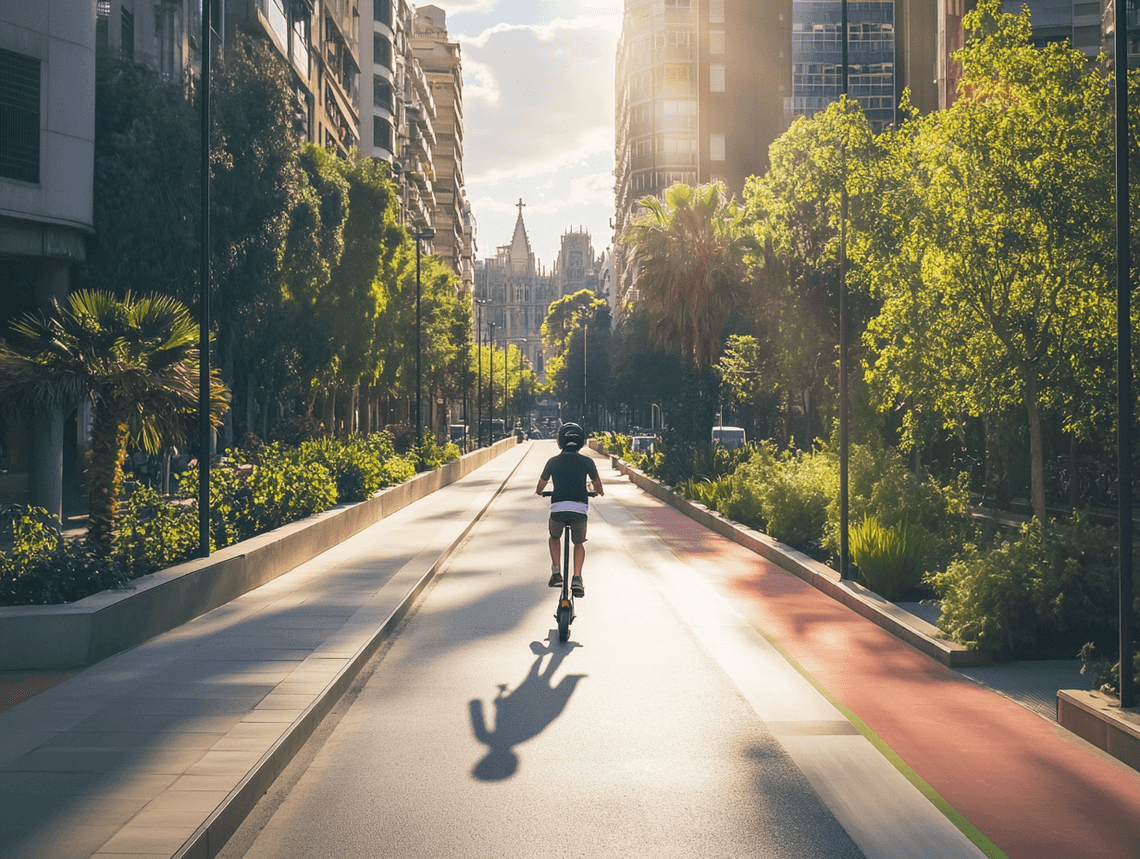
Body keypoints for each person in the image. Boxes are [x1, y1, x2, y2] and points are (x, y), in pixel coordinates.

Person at [535, 422, 604, 597]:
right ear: (581, 441)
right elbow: (599, 488)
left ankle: (556, 572)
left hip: (558, 509)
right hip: (579, 510)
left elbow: (540, 488)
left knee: (554, 537)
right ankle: (577, 578)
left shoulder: (553, 462)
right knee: (579, 543)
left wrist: (543, 491)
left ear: (560, 441)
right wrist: (595, 491)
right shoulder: (587, 461)